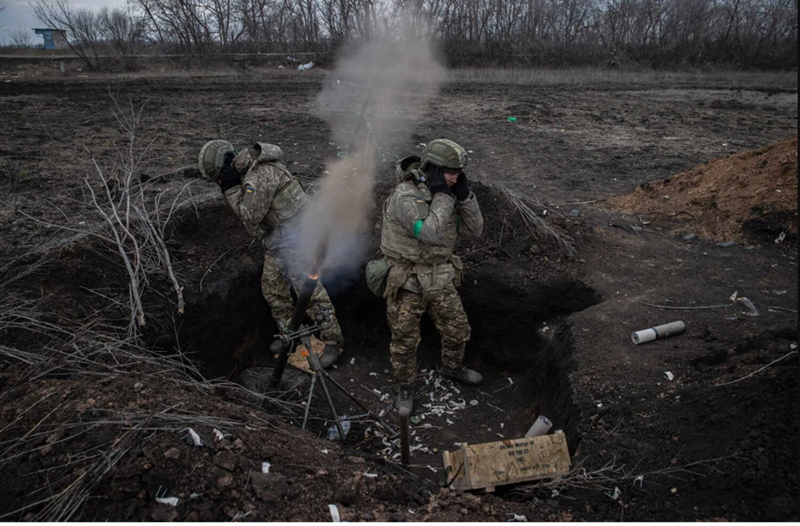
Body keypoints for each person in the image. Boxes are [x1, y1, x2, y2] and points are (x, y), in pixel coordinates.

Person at [198, 140, 343, 368]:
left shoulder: (258, 176)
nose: (219, 183)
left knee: (309, 292)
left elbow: (250, 216)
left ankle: (333, 340)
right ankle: (291, 336)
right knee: (272, 289)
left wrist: (231, 189)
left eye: (218, 178)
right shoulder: (248, 171)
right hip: (279, 239)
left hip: (298, 238)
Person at [378, 138, 484, 416]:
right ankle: (405, 386)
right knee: (404, 340)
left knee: (457, 330)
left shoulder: (447, 191)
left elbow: (475, 231)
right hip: (407, 280)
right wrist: (446, 197)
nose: (455, 177)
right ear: (434, 169)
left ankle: (452, 368)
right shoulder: (405, 195)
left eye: (459, 173)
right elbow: (429, 233)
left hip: (439, 276)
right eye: (451, 172)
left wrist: (465, 198)